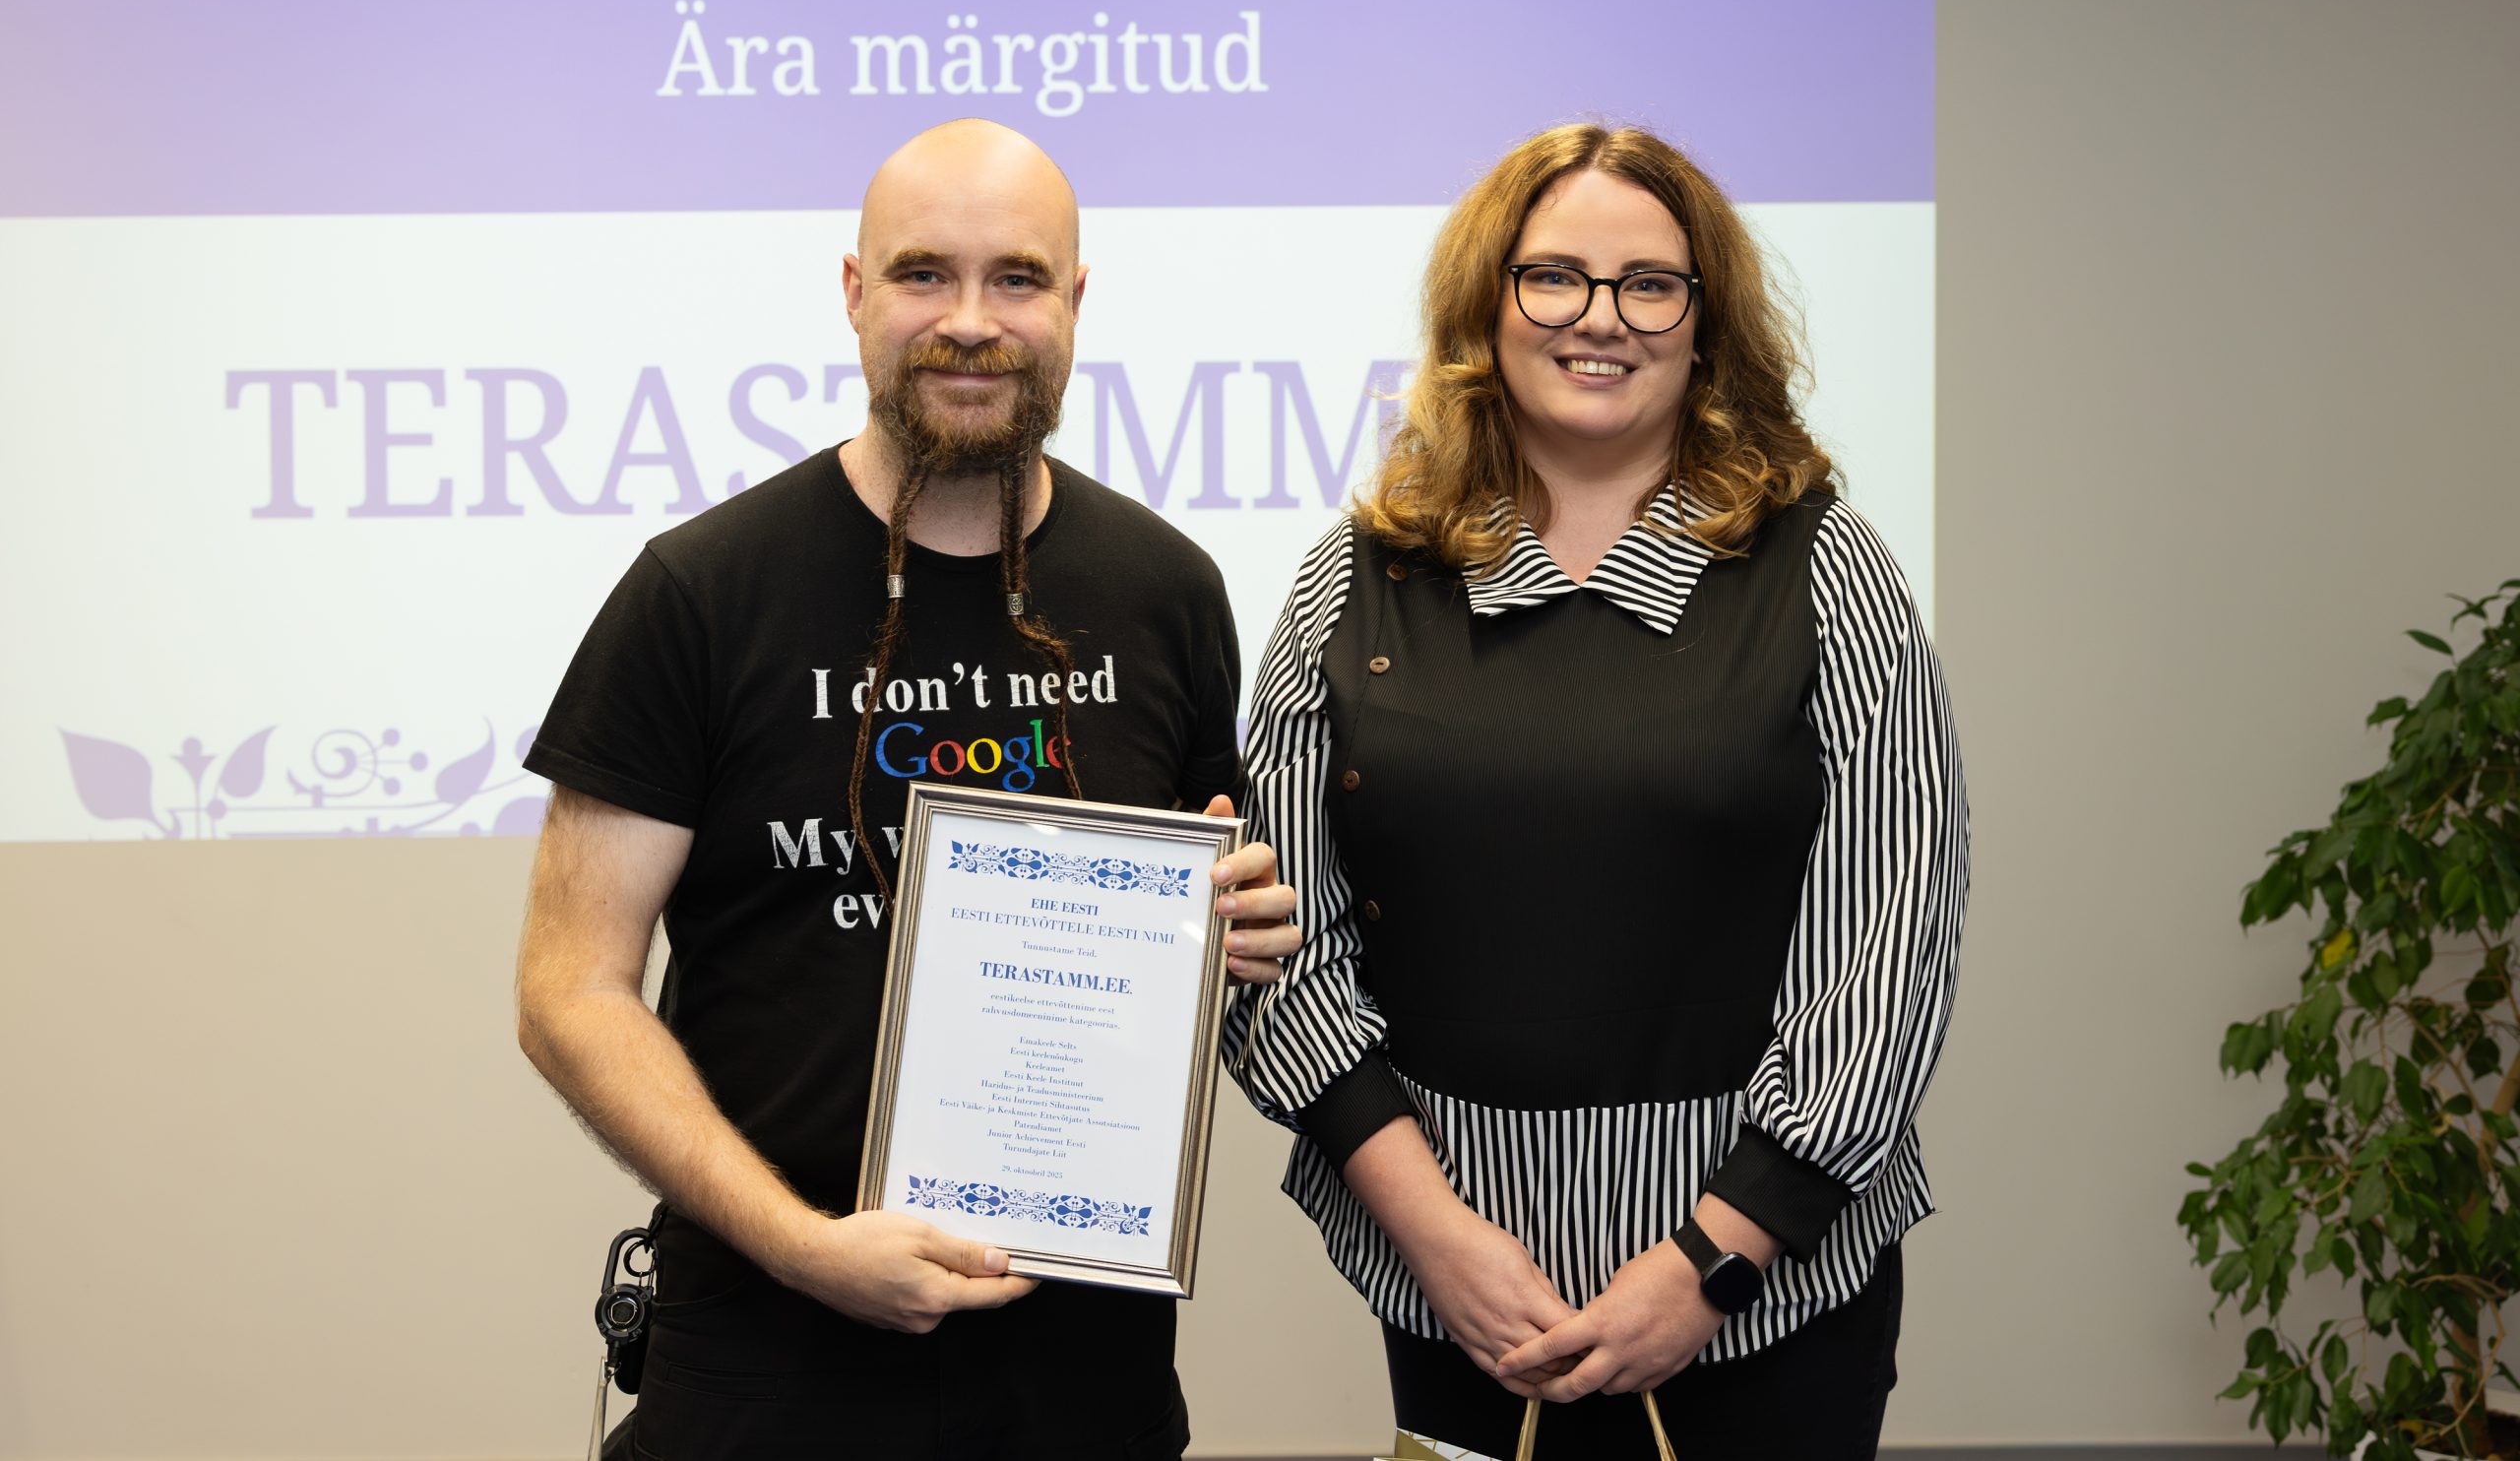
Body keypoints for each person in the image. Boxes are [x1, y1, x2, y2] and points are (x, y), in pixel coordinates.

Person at [515, 117, 1299, 1461]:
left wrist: (1228, 935)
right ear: (854, 291)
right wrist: (801, 1244)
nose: (971, 322)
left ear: (1075, 299)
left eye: (1018, 278)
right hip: (765, 1359)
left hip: (1083, 1375)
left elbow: (1187, 935)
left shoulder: (1167, 590)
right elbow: (567, 990)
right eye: (924, 272)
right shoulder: (700, 593)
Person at [1223, 124, 1969, 1459]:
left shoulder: (1828, 574)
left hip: (1772, 1298)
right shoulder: (1357, 582)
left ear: (1706, 323)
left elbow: (1891, 950)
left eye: (1650, 285)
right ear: (1487, 305)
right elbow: (1271, 950)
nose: (1601, 317)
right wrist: (1438, 1241)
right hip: (1461, 1301)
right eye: (1555, 276)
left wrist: (1712, 1262)